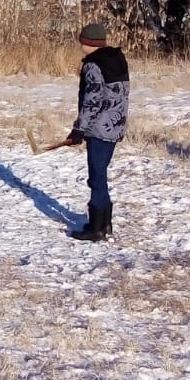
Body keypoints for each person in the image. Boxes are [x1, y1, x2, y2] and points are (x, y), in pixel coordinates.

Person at [63, 22, 130, 241]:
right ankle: (105, 223)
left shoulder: (93, 65)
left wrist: (79, 129)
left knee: (97, 177)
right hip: (115, 126)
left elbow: (92, 100)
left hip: (99, 129)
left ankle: (96, 228)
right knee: (100, 174)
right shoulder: (116, 59)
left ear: (86, 42)